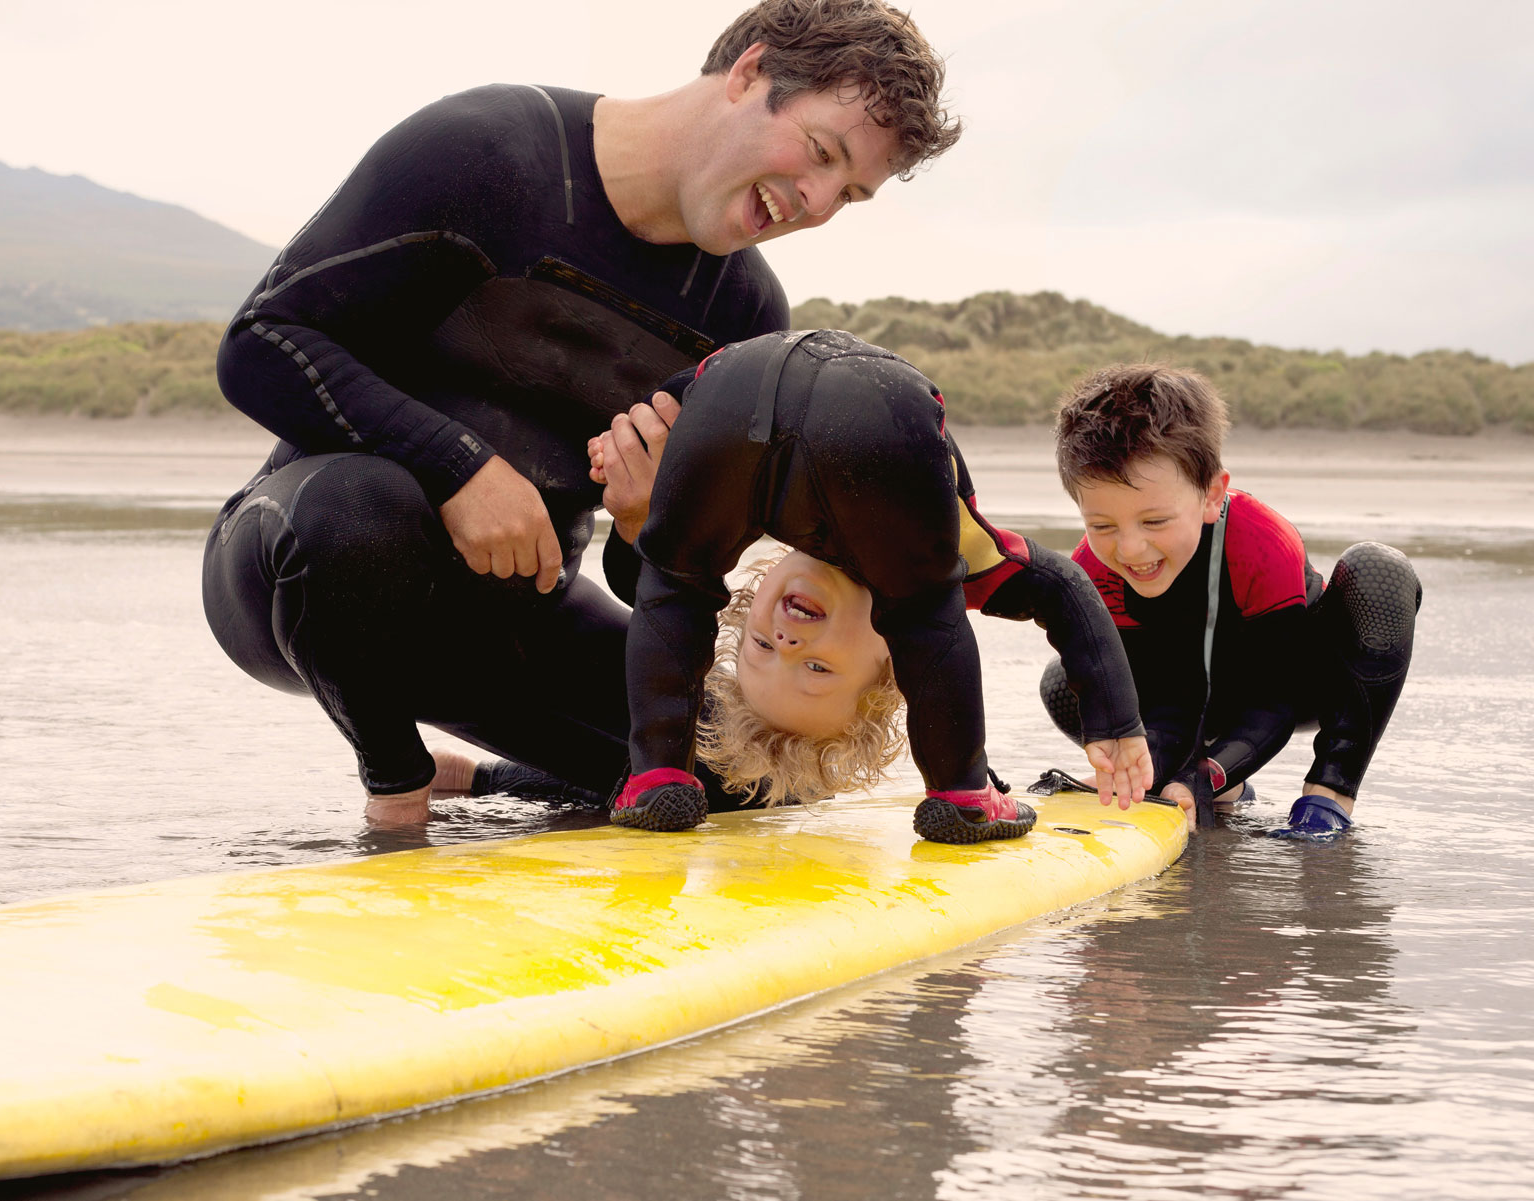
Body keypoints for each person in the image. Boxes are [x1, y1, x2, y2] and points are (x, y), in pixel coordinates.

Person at [205, 0, 962, 826]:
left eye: (848, 193)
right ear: (750, 73)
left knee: (744, 774)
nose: (815, 202)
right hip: (303, 574)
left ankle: (486, 780)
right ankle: (395, 789)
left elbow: (650, 589)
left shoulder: (745, 314)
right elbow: (260, 343)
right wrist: (457, 466)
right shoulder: (489, 150)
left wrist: (645, 524)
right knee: (358, 514)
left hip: (513, 622)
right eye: (821, 152)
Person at [597, 329, 1153, 841]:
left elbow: (652, 588)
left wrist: (629, 440)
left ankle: (660, 776)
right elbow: (1061, 586)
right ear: (895, 663)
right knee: (922, 608)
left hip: (727, 388)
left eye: (760, 647)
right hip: (861, 407)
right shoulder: (955, 559)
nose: (787, 645)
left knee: (675, 580)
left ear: (748, 601)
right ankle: (961, 792)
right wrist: (1116, 720)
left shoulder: (739, 517)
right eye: (817, 669)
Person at [1043, 363, 1422, 838]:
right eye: (1102, 526)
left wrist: (1203, 775)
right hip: (1193, 687)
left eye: (1155, 521)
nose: (1131, 549)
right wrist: (1150, 772)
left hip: (1302, 680)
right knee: (1065, 683)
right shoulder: (1095, 570)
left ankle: (1330, 792)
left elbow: (1274, 703)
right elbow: (1161, 703)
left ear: (1211, 495)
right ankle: (1217, 786)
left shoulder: (1260, 540)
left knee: (1379, 568)